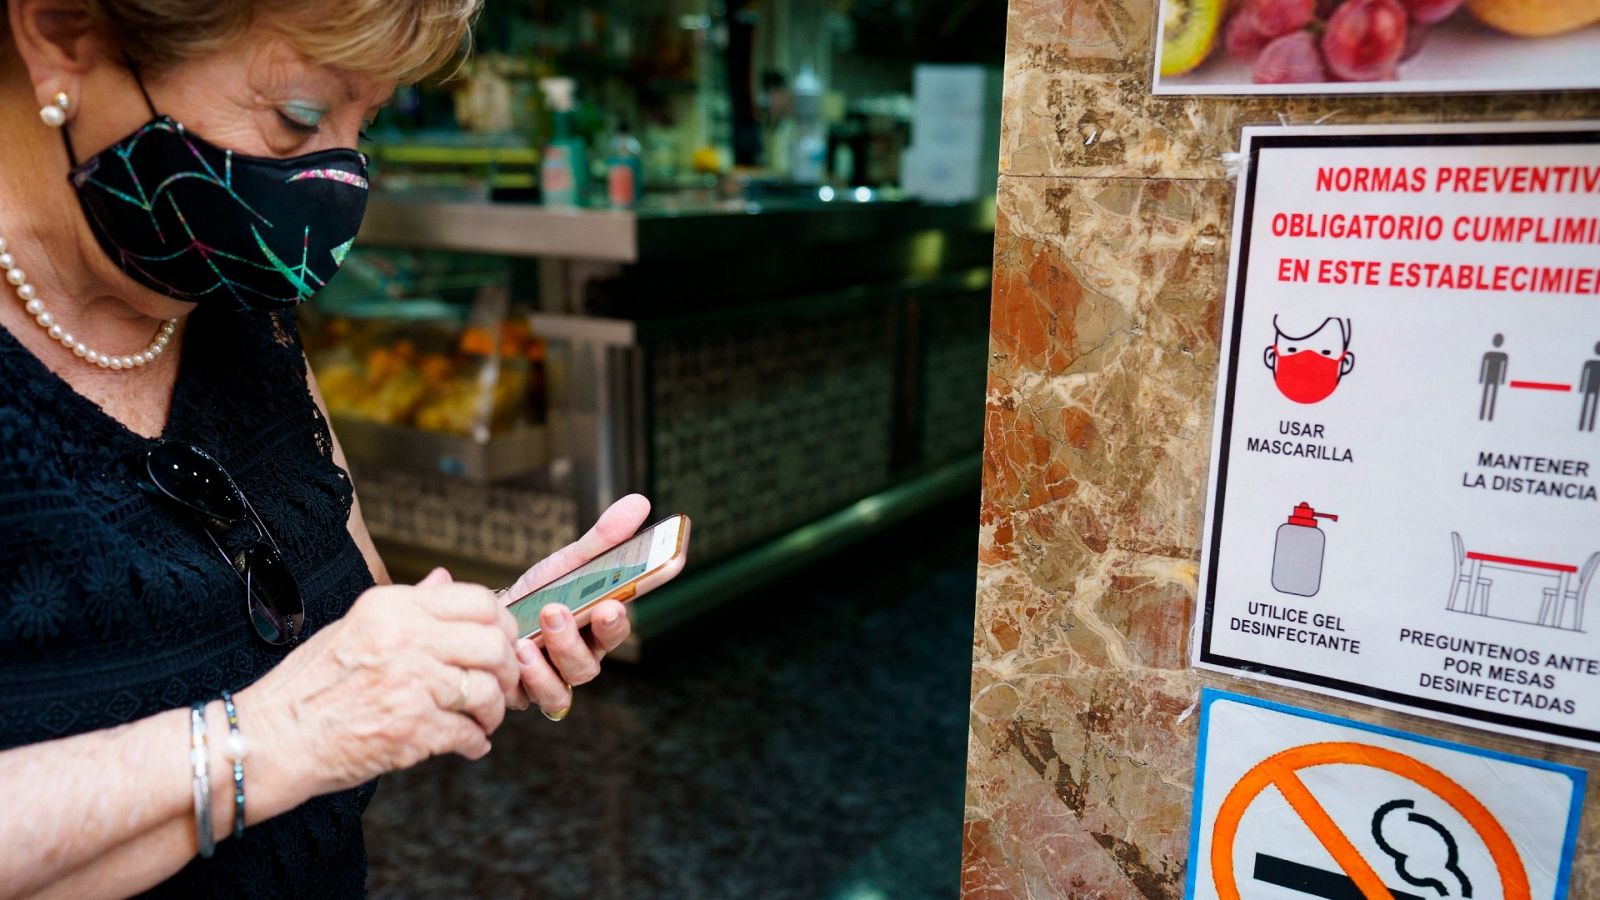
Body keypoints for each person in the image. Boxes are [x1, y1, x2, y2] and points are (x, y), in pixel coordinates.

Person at [0, 1, 646, 895]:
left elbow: (343, 626)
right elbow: (306, 715)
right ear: (62, 32)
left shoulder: (239, 308)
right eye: (300, 116)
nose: (339, 181)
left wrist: (473, 639)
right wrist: (283, 736)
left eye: (364, 125)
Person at [1479, 333, 1508, 422]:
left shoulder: (1503, 355)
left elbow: (1504, 368)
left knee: (1493, 397)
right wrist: (1481, 379)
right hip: (1488, 377)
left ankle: (1490, 416)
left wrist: (1502, 380)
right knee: (1486, 395)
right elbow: (1483, 366)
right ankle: (1482, 415)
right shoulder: (1488, 354)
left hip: (1495, 378)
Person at [1579, 341, 1600, 432]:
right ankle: (1582, 426)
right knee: (1586, 405)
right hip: (1590, 387)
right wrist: (1581, 388)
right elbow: (1584, 376)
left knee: (1593, 406)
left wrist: (1581, 387)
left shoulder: (1590, 363)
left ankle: (1589, 427)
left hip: (1595, 387)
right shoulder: (1589, 363)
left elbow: (1584, 376)